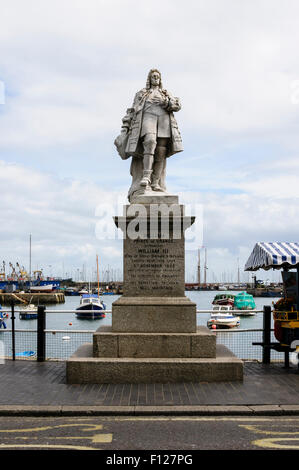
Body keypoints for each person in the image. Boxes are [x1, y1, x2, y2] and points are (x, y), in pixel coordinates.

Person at [114, 69, 183, 200]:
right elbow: (131, 111)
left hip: (163, 120)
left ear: (160, 79)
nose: (156, 78)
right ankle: (146, 177)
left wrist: (166, 102)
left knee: (161, 151)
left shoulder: (165, 93)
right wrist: (124, 129)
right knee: (150, 141)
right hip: (148, 117)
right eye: (153, 76)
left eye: (158, 76)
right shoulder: (142, 93)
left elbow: (177, 105)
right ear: (149, 79)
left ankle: (156, 182)